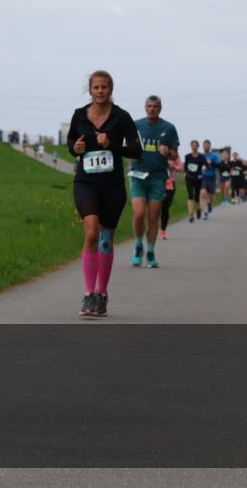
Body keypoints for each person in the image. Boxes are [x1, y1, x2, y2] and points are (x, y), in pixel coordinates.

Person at [67, 70, 142, 317]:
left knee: (106, 239)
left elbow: (136, 151)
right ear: (90, 90)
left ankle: (102, 293)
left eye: (104, 87)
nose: (100, 91)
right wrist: (75, 148)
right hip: (86, 182)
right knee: (91, 232)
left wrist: (113, 146)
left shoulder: (122, 117)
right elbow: (71, 146)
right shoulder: (79, 115)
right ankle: (89, 295)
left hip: (112, 186)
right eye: (96, 87)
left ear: (111, 89)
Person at [129, 95, 180, 268]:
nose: (152, 109)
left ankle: (150, 251)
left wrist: (168, 153)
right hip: (138, 174)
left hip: (158, 177)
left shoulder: (169, 128)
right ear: (145, 107)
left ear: (160, 108)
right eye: (149, 106)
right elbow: (127, 147)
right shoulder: (136, 125)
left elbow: (175, 154)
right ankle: (138, 245)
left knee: (153, 216)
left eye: (155, 106)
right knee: (138, 214)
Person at [183, 140, 207, 222]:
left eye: (195, 145)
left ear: (198, 146)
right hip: (189, 178)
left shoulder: (201, 157)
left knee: (197, 197)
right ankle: (191, 215)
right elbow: (185, 166)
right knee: (190, 195)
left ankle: (199, 209)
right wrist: (185, 173)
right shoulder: (187, 156)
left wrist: (204, 171)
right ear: (191, 146)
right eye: (192, 145)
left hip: (198, 178)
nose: (194, 147)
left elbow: (207, 165)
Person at [160, 155, 182, 239]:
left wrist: (173, 166)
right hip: (158, 182)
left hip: (170, 184)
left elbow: (180, 167)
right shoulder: (158, 151)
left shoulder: (174, 153)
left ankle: (163, 230)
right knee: (155, 207)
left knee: (165, 205)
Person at [200, 140, 222, 219]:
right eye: (205, 145)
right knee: (202, 193)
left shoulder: (214, 156)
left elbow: (219, 165)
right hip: (203, 177)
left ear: (210, 147)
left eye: (207, 145)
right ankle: (205, 212)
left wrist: (211, 163)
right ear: (202, 146)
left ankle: (210, 204)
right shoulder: (200, 155)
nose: (206, 146)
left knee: (211, 196)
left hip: (212, 177)